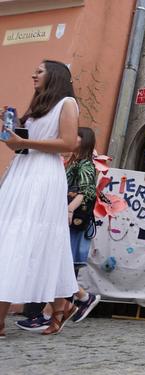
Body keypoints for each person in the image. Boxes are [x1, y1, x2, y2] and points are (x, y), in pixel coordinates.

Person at [0, 60, 80, 337]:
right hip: (22, 172)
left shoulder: (67, 103)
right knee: (13, 236)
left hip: (44, 176)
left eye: (40, 70)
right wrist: (10, 129)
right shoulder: (37, 107)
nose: (33, 74)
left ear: (55, 76)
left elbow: (69, 143)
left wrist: (24, 142)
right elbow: (24, 142)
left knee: (27, 237)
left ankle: (57, 305)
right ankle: (61, 305)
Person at [15, 127, 101, 331]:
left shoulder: (85, 165)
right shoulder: (76, 162)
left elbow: (87, 191)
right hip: (62, 218)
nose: (73, 138)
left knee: (56, 263)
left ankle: (69, 304)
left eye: (78, 136)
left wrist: (69, 210)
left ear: (85, 141)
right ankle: (69, 304)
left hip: (70, 222)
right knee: (55, 263)